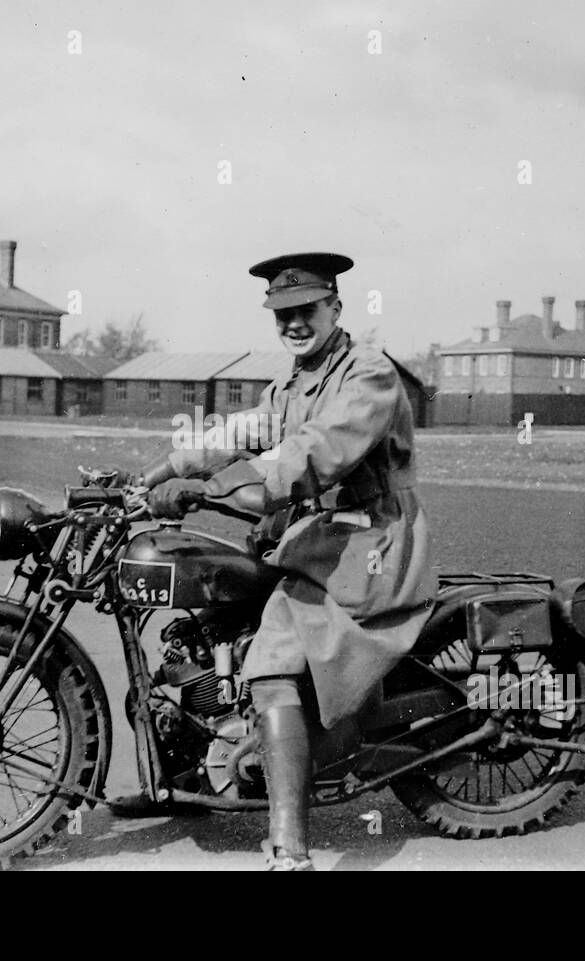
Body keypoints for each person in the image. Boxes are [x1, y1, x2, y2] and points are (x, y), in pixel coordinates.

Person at [105, 252, 434, 871]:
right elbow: (237, 432)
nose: (293, 323)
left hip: (370, 542)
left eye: (305, 309)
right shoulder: (291, 381)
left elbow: (312, 455)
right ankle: (181, 784)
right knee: (205, 626)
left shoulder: (368, 374)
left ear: (335, 306)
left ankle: (291, 851)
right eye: (282, 313)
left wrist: (212, 490)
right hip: (318, 536)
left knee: (273, 663)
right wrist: (148, 477)